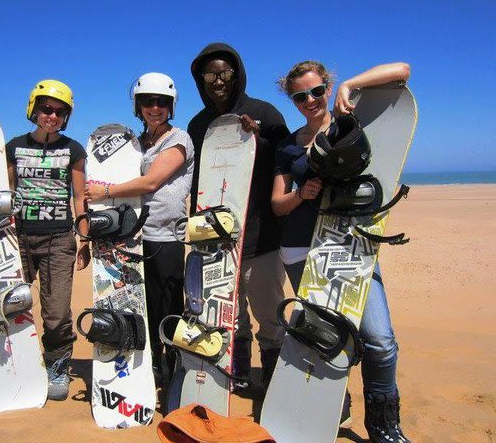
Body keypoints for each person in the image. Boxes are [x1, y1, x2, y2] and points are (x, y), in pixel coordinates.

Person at [272, 60, 412, 442]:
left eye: (317, 91)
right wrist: (302, 194)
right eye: (301, 96)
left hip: (350, 246)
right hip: (301, 249)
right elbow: (277, 205)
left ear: (327, 86)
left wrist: (352, 84)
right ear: (293, 100)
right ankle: (332, 406)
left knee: (380, 339)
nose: (310, 100)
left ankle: (384, 423)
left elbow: (402, 70)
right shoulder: (288, 148)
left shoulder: (348, 123)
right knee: (325, 340)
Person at [0, 79, 91, 403]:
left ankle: (57, 367)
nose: (51, 116)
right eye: (46, 109)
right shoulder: (12, 148)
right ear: (34, 109)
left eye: (59, 112)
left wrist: (85, 239)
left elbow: (79, 198)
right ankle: (0, 371)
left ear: (66, 117)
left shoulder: (74, 150)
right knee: (6, 303)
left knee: (56, 313)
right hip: (16, 239)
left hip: (58, 240)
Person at [187, 43, 290, 391]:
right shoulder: (198, 124)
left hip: (262, 237)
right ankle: (241, 375)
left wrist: (257, 140)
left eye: (225, 73)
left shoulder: (266, 113)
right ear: (201, 79)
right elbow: (199, 180)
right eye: (210, 75)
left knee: (270, 315)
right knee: (233, 317)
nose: (218, 81)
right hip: (216, 243)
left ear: (237, 74)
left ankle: (274, 380)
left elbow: (289, 162)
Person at [84, 72, 194, 387]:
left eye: (161, 102)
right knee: (136, 305)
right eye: (148, 101)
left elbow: (151, 182)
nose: (154, 107)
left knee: (167, 308)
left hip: (165, 237)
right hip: (132, 238)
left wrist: (105, 191)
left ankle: (173, 371)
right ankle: (146, 368)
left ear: (171, 106)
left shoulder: (178, 139)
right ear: (138, 105)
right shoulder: (134, 144)